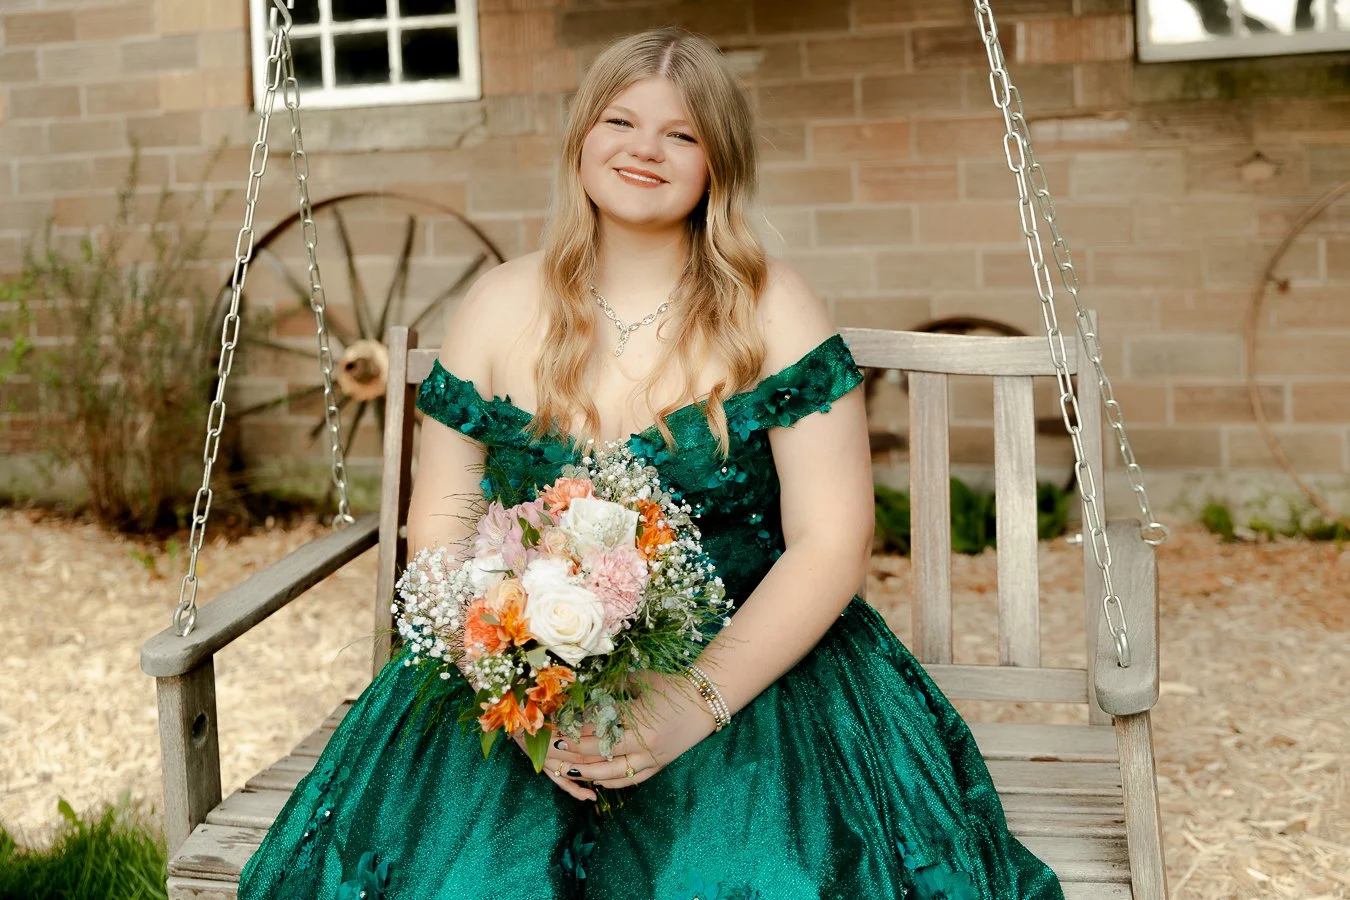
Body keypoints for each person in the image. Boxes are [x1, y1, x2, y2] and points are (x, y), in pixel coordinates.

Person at [238, 27, 1066, 900]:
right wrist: (515, 694)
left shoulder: (772, 308)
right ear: (582, 141)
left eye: (681, 133)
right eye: (621, 121)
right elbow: (438, 522)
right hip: (515, 670)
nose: (645, 149)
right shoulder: (496, 306)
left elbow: (830, 539)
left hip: (752, 671)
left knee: (745, 872)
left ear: (719, 163)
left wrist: (688, 706)